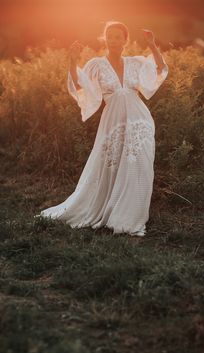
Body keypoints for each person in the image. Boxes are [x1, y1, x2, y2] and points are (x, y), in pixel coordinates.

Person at [35, 20, 169, 237]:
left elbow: (160, 69)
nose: (113, 40)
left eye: (118, 36)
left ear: (125, 40)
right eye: (110, 36)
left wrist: (153, 45)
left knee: (140, 165)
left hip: (140, 121)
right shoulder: (97, 65)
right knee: (112, 167)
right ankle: (112, 211)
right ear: (104, 39)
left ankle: (131, 218)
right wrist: (72, 61)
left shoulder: (135, 62)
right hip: (113, 123)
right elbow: (79, 86)